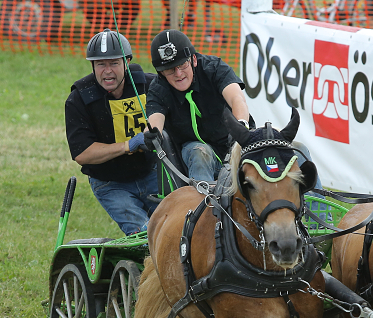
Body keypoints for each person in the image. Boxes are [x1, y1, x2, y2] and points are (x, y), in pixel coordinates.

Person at [65, 29, 159, 236]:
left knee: (177, 228)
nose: (108, 71)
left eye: (114, 63)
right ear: (93, 66)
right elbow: (82, 153)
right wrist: (128, 145)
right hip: (110, 182)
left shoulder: (150, 85)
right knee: (144, 235)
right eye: (101, 64)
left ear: (126, 63)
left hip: (152, 173)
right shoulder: (79, 99)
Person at [145, 29, 250, 183]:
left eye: (182, 65)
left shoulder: (214, 68)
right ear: (160, 73)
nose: (178, 74)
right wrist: (151, 134)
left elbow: (236, 98)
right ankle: (205, 202)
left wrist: (240, 125)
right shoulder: (158, 88)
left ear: (193, 59)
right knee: (199, 151)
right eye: (169, 69)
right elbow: (154, 121)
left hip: (235, 143)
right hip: (195, 156)